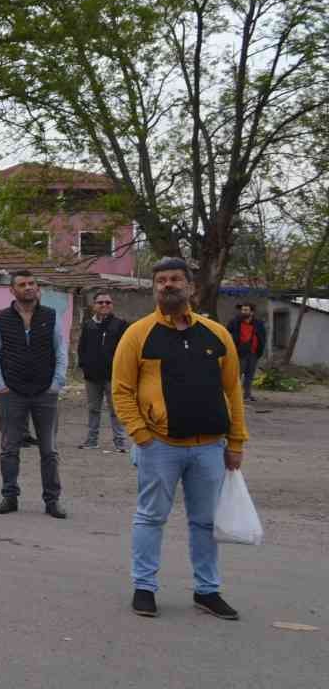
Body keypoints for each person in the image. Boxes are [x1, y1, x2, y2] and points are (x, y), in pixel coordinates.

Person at [114, 258, 247, 621]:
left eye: (175, 279)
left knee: (204, 522)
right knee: (150, 517)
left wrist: (236, 442)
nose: (167, 285)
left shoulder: (216, 335)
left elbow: (233, 390)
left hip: (209, 448)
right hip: (160, 447)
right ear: (154, 287)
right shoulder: (138, 335)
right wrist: (140, 434)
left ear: (191, 287)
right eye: (160, 280)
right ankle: (144, 588)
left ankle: (207, 590)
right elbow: (122, 390)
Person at [0, 270, 68, 518]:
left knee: (49, 450)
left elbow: (61, 351)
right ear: (12, 290)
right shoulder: (1, 318)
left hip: (45, 392)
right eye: (22, 284)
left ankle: (52, 501)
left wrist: (57, 383)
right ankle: (9, 496)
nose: (28, 288)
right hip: (12, 392)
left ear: (38, 288)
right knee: (9, 448)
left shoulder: (50, 317)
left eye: (32, 283)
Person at [77, 291, 129, 452]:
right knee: (93, 409)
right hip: (92, 376)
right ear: (94, 305)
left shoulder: (120, 325)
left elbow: (126, 349)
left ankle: (120, 443)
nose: (104, 305)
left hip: (114, 376)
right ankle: (91, 441)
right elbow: (82, 347)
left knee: (116, 410)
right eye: (101, 302)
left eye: (108, 302)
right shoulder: (88, 325)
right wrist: (84, 365)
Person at [226, 303, 267, 403]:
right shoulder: (235, 322)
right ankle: (234, 395)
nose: (243, 312)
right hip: (240, 353)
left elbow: (262, 336)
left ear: (251, 312)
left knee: (250, 375)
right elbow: (226, 332)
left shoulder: (258, 323)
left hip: (253, 353)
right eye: (243, 310)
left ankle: (247, 395)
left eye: (246, 310)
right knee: (237, 375)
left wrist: (260, 350)